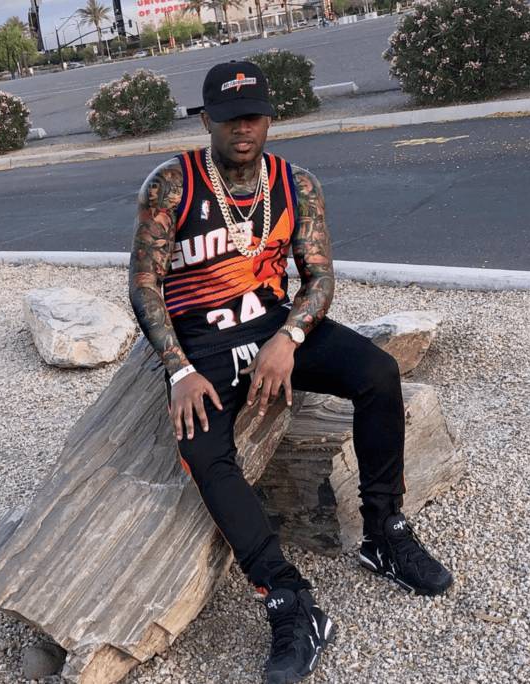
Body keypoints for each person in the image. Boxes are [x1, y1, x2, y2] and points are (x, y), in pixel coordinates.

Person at [129, 61, 453, 684]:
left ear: (270, 117)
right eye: (229, 118)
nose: (242, 129)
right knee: (203, 452)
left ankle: (384, 533)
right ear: (206, 120)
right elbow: (144, 285)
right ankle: (288, 599)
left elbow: (320, 277)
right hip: (203, 344)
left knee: (378, 373)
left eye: (252, 116)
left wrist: (289, 337)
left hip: (276, 328)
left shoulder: (295, 183)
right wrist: (178, 370)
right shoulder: (171, 183)